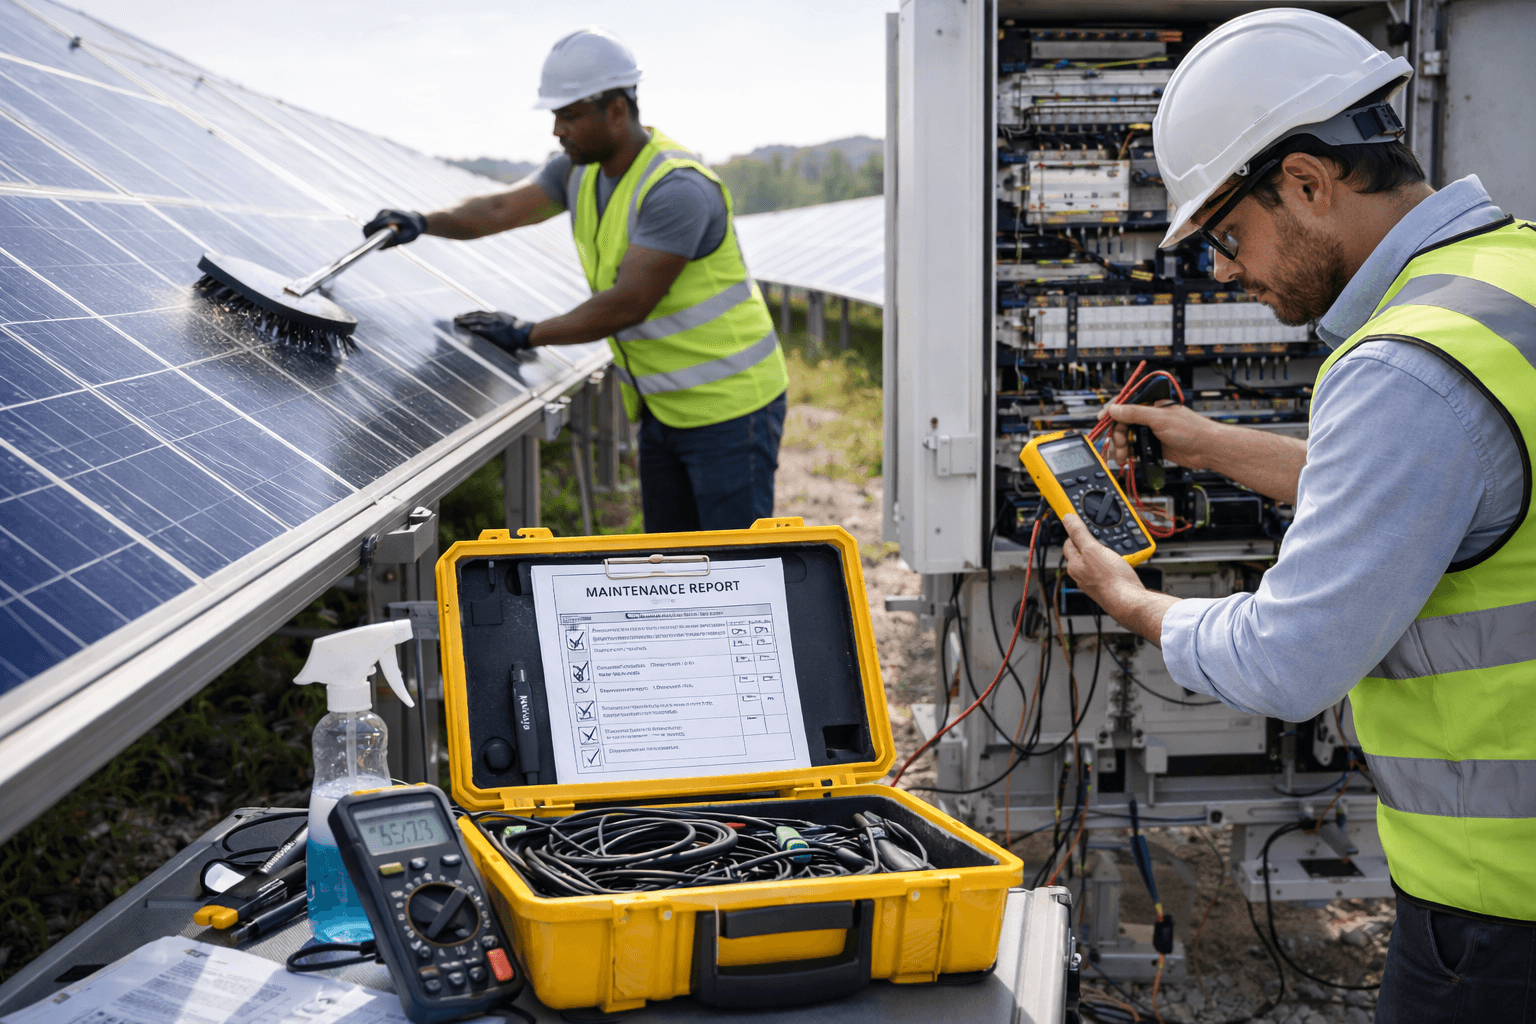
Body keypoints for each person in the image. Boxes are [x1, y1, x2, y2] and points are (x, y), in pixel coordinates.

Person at [1056, 10, 1536, 1021]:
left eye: (1230, 235)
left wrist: (1137, 603)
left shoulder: (1403, 364)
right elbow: (1448, 490)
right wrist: (1214, 443)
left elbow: (1290, 659)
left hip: (1503, 909)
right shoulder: (1508, 280)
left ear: (1311, 182)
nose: (1226, 270)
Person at [363, 28, 788, 533]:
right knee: (677, 563)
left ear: (615, 111)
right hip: (662, 406)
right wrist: (422, 221)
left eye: (569, 116)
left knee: (737, 569)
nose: (556, 130)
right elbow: (500, 208)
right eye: (554, 116)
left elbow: (626, 305)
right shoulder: (577, 172)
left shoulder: (676, 190)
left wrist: (528, 333)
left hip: (731, 408)